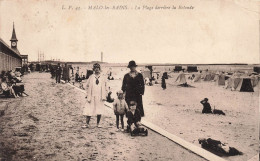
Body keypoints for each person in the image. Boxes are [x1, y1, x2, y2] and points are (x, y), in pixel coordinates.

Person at [82, 63, 108, 128]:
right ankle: (87, 123)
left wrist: (106, 94)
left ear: (100, 69)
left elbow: (106, 86)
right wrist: (87, 93)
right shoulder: (91, 77)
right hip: (92, 96)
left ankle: (98, 124)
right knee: (89, 109)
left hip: (100, 96)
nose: (97, 70)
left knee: (99, 110)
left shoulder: (103, 77)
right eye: (95, 68)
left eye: (98, 68)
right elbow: (86, 85)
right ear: (93, 69)